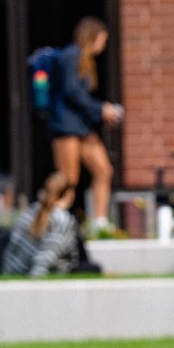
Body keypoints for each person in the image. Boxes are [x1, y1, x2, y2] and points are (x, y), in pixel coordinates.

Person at [49, 16, 124, 235]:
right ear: (92, 37)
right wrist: (101, 109)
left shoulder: (86, 61)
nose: (103, 45)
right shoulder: (70, 56)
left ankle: (99, 222)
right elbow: (72, 93)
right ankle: (53, 222)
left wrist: (101, 114)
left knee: (103, 170)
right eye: (102, 39)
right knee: (68, 179)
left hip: (83, 127)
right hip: (66, 127)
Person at [1, 171, 80, 277]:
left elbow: (13, 244)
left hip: (13, 272)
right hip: (39, 277)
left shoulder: (32, 210)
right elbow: (45, 259)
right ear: (70, 195)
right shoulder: (63, 220)